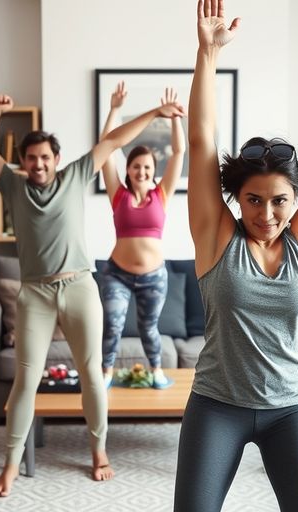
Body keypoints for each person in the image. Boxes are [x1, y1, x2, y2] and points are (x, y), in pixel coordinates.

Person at [174, 0, 298, 510]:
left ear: (296, 198)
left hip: (294, 408)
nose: (267, 214)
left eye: (280, 200)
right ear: (237, 199)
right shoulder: (215, 236)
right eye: (253, 200)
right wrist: (206, 53)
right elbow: (201, 139)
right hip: (217, 405)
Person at [0, 93, 185, 497]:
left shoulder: (75, 175)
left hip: (79, 286)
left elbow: (113, 141)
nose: (39, 164)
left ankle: (99, 452)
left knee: (92, 374)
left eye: (45, 157)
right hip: (35, 293)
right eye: (31, 158)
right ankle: (11, 464)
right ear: (23, 162)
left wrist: (154, 112)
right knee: (26, 380)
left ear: (56, 159)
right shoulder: (13, 187)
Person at [98, 83, 186, 389]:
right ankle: (106, 373)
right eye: (136, 166)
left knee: (149, 328)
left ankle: (156, 371)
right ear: (129, 169)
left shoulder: (162, 194)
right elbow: (106, 147)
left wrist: (175, 118)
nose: (142, 171)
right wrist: (114, 110)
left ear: (153, 169)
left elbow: (179, 151)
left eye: (147, 166)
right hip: (116, 274)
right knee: (113, 324)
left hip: (153, 276)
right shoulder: (117, 195)